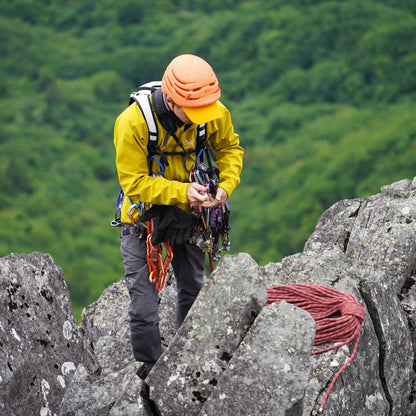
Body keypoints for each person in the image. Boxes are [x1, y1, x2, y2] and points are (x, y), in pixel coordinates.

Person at [113, 54, 244, 372]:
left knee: (193, 285)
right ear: (171, 101)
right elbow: (133, 183)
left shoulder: (212, 112)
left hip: (190, 213)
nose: (202, 119)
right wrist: (181, 191)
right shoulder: (132, 123)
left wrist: (225, 186)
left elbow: (228, 148)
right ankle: (151, 369)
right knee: (143, 305)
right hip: (144, 219)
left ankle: (190, 356)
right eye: (194, 112)